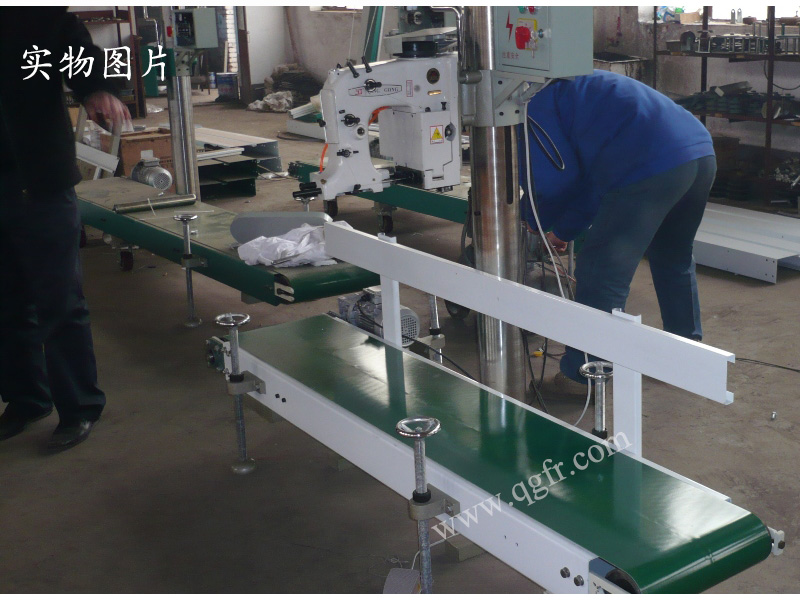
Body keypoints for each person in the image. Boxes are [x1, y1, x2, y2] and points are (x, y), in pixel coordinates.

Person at [519, 69, 716, 390]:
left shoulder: (531, 102)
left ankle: (582, 377)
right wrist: (564, 230)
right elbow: (591, 181)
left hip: (648, 164)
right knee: (673, 258)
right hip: (699, 152)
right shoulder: (578, 85)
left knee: (600, 271)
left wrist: (532, 217)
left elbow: (555, 179)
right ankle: (685, 355)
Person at [0, 8, 131, 449]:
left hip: (37, 177)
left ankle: (78, 407)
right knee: (6, 303)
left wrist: (98, 89)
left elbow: (82, 56)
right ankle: (25, 400)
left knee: (58, 301)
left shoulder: (36, 16)